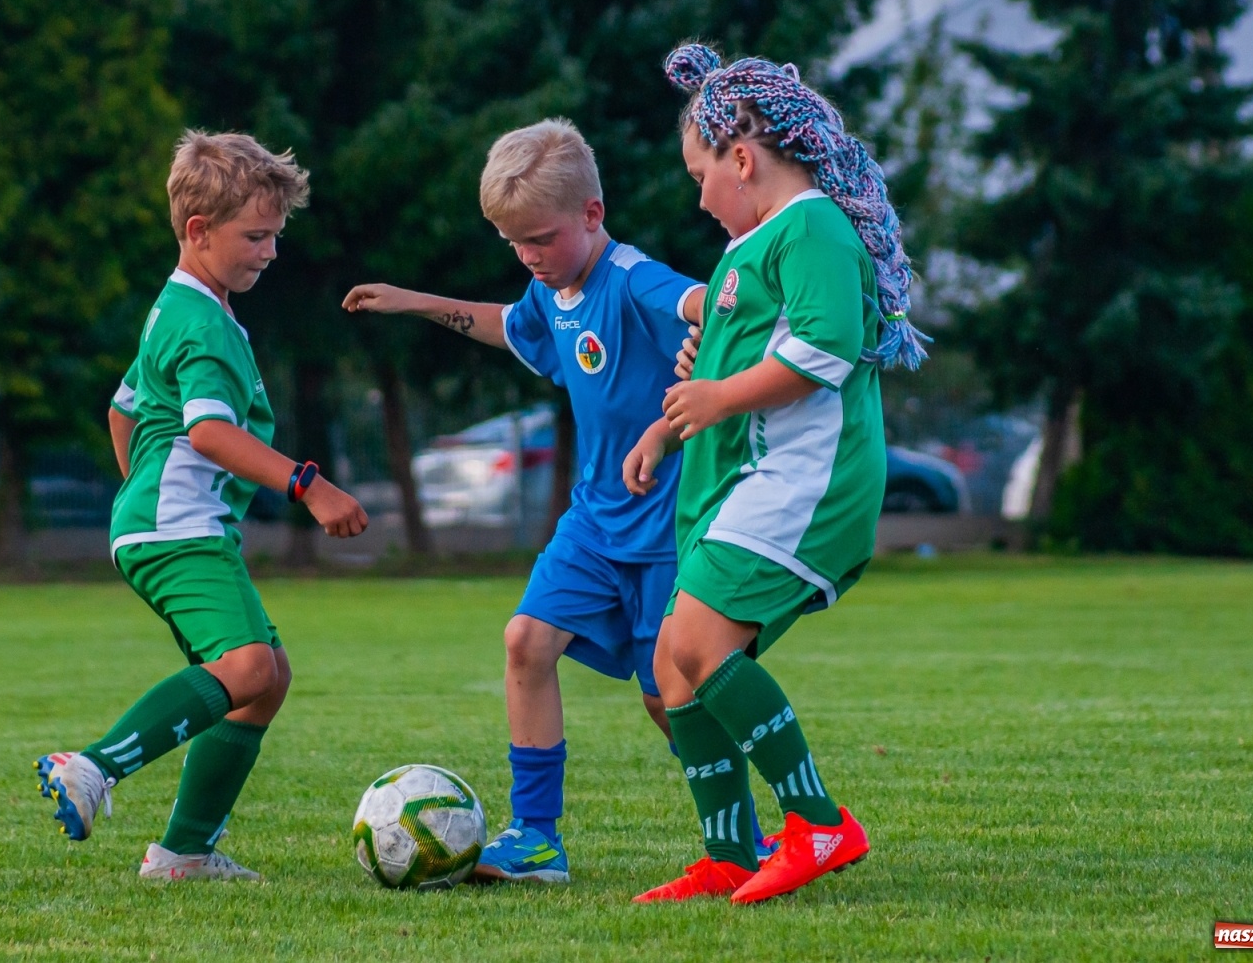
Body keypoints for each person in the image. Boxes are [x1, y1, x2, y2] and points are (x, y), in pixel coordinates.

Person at [344, 118, 774, 882]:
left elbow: (709, 303)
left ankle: (747, 832)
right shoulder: (552, 289)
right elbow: (509, 327)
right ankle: (536, 838)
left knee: (669, 703)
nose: (528, 258)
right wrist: (409, 300)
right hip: (593, 522)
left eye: (539, 239)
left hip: (668, 530)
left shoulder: (633, 279)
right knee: (525, 642)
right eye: (513, 244)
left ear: (591, 214)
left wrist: (705, 338)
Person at [624, 44, 928, 905]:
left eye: (700, 173)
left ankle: (818, 822)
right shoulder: (748, 251)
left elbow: (823, 348)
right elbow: (719, 370)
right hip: (739, 483)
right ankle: (727, 852)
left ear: (743, 159)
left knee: (695, 644)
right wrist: (664, 428)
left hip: (806, 482)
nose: (699, 195)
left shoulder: (815, 227)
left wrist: (717, 396)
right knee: (675, 665)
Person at [35, 130, 368, 880]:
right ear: (198, 230)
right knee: (248, 668)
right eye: (256, 236)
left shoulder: (178, 307)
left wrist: (142, 494)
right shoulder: (206, 325)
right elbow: (210, 432)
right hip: (178, 533)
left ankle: (184, 851)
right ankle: (91, 768)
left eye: (276, 235)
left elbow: (123, 410)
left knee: (265, 677)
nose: (270, 252)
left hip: (170, 527)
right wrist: (308, 484)